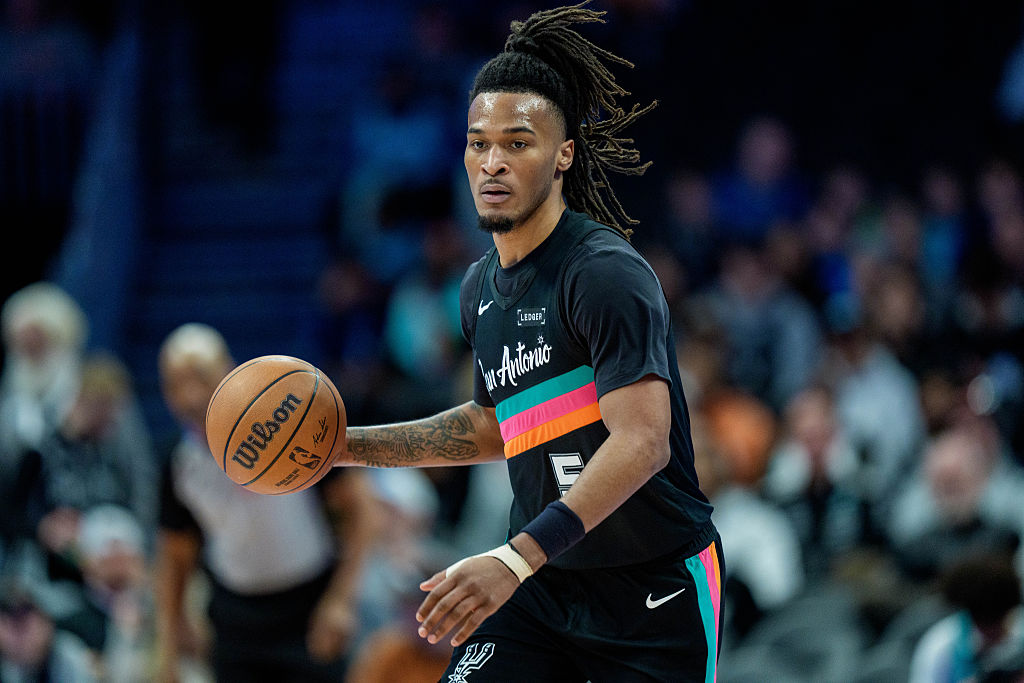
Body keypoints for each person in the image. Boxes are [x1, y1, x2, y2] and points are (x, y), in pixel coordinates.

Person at [330, 4, 723, 681]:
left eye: (518, 142)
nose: (493, 162)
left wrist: (512, 557)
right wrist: (345, 447)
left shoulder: (604, 272)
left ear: (564, 152)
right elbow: (493, 425)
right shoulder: (477, 286)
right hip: (546, 584)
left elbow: (643, 441)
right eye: (479, 143)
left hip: (652, 587)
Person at [153, 323, 376, 683]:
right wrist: (171, 636)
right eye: (175, 384)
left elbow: (362, 511)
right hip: (233, 618)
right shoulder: (177, 464)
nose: (190, 396)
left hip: (310, 606)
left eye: (200, 377)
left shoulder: (292, 425)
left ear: (229, 371)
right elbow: (175, 555)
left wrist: (342, 599)